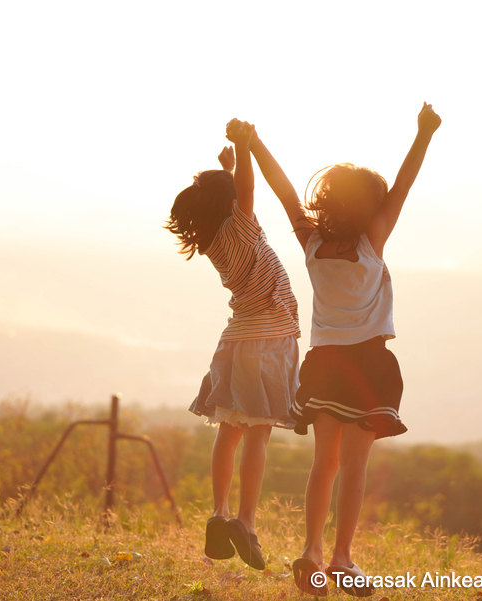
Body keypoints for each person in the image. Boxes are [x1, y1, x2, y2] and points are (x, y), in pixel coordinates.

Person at [243, 104, 442, 596]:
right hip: (368, 362)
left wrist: (254, 144)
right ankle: (342, 559)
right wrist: (423, 134)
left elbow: (284, 190)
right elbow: (404, 184)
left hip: (325, 362)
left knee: (323, 463)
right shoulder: (373, 241)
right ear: (370, 206)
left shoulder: (311, 241)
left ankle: (311, 552)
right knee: (355, 465)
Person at [165, 121, 301, 571]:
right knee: (258, 433)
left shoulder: (219, 239)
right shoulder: (241, 227)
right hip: (268, 340)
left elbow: (238, 191)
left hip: (235, 341)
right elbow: (246, 187)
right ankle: (245, 521)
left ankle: (220, 511)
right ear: (231, 204)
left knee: (229, 430)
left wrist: (230, 163)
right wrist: (243, 148)